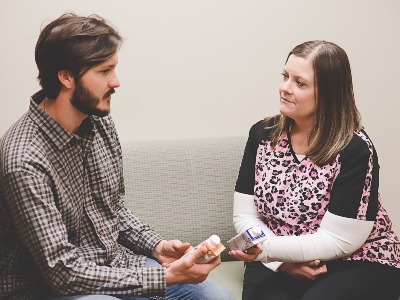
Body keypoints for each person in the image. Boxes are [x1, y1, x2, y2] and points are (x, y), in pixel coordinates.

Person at [0, 13, 235, 300]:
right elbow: (63, 273)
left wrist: (156, 246)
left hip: (116, 267)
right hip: (52, 289)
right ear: (66, 77)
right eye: (104, 71)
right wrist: (165, 275)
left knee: (216, 297)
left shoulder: (98, 121)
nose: (116, 82)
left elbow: (112, 209)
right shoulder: (24, 161)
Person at [229, 40, 400, 300]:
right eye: (285, 76)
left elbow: (338, 241)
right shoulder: (262, 134)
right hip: (276, 259)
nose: (285, 88)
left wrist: (263, 250)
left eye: (300, 83)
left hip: (353, 259)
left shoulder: (354, 149)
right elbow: (245, 216)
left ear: (328, 93)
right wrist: (278, 262)